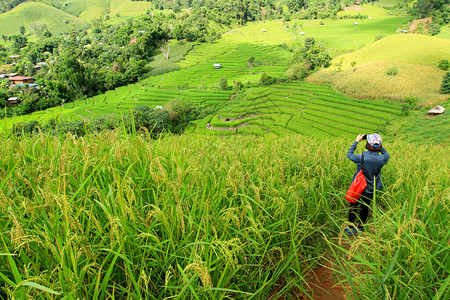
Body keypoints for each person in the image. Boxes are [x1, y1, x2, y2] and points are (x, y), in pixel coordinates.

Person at [345, 133, 390, 235]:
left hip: (358, 186)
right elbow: (386, 154)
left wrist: (356, 141)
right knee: (365, 207)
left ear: (368, 144)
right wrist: (379, 146)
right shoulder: (382, 158)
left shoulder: (361, 157)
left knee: (353, 205)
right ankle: (360, 227)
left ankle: (350, 227)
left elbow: (349, 154)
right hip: (371, 187)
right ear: (380, 145)